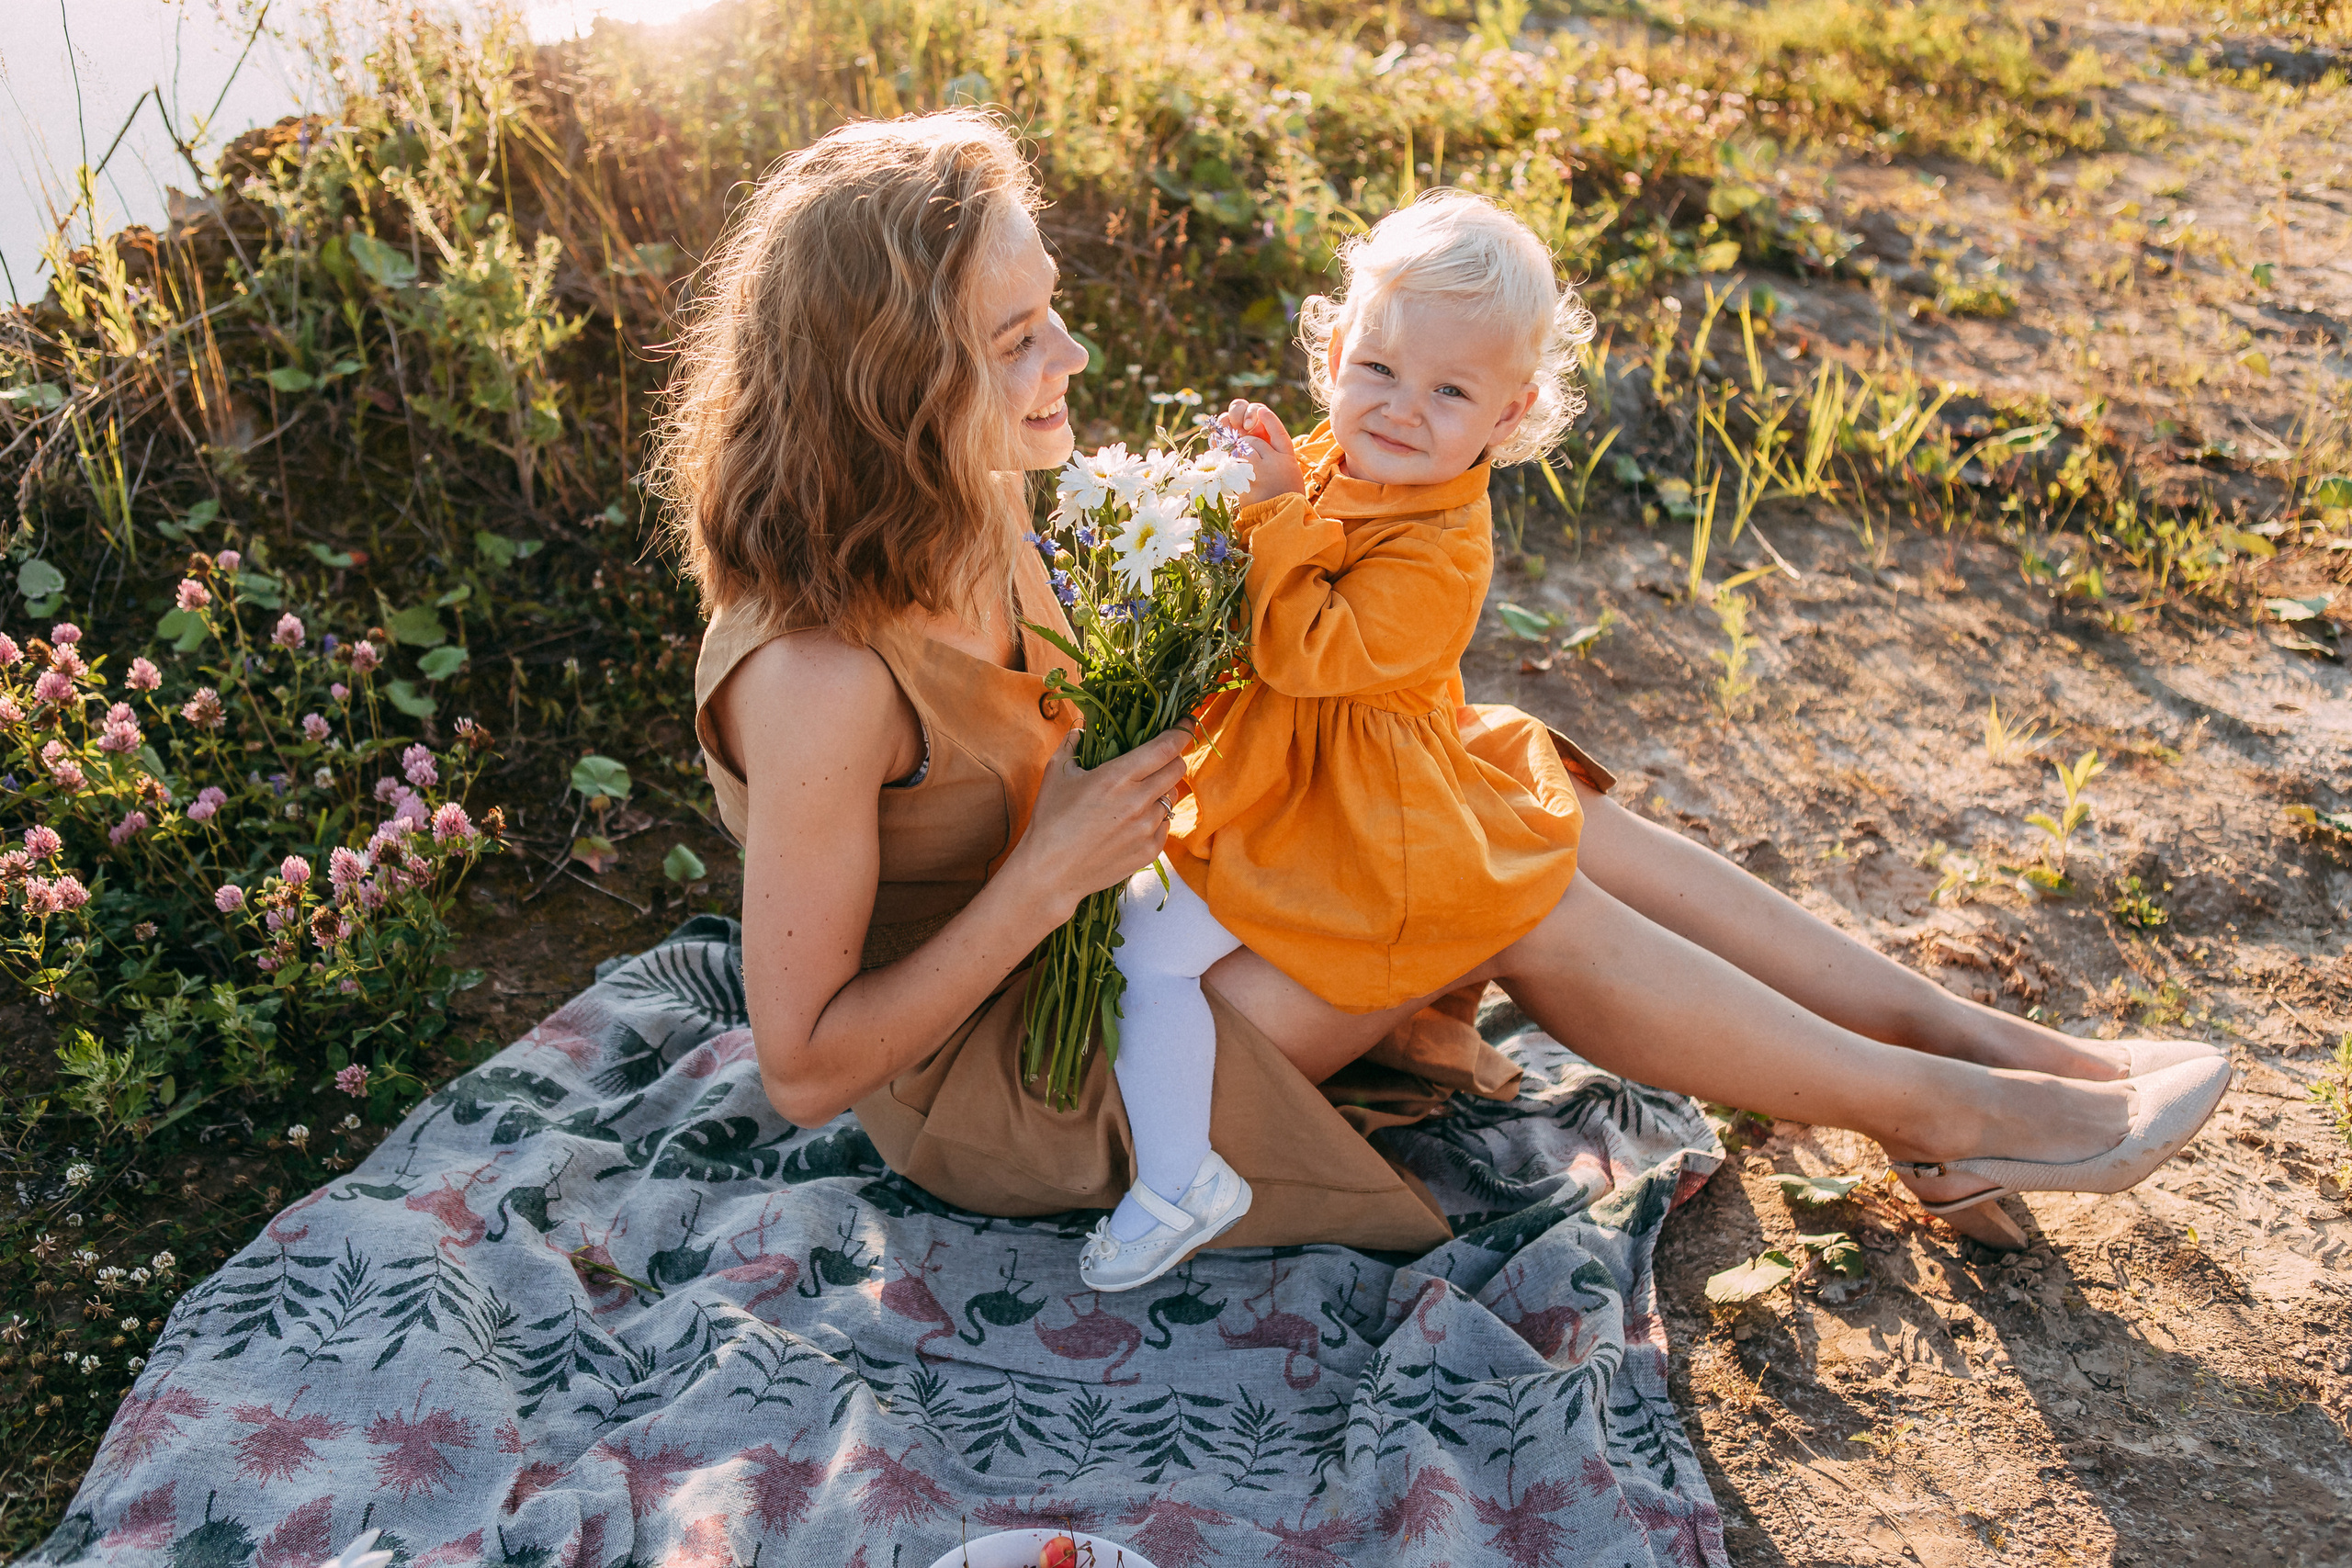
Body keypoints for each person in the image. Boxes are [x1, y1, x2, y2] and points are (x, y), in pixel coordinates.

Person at [659, 109, 2227, 1274]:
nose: (1070, 348)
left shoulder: (971, 494)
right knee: (1476, 883)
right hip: (1027, 1076)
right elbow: (803, 1071)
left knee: (1485, 766)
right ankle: (1935, 1115)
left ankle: (2010, 1058)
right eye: (1017, 335)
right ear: (892, 381)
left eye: (1052, 301)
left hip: (1107, 922)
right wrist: (1056, 867)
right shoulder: (814, 671)